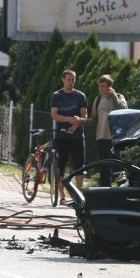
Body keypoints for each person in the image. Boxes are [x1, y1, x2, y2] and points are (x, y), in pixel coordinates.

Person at [50, 69, 88, 205]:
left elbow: (84, 115)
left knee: (79, 167)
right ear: (63, 80)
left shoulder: (80, 96)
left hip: (77, 136)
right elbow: (54, 115)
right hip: (61, 137)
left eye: (73, 80)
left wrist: (76, 123)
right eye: (68, 79)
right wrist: (68, 119)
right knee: (61, 168)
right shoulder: (57, 96)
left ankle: (78, 195)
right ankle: (62, 195)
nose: (71, 82)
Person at [90, 74, 128, 187]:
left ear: (109, 87)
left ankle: (123, 190)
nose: (100, 88)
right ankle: (105, 191)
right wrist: (80, 121)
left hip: (115, 138)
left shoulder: (119, 97)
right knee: (104, 168)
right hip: (102, 137)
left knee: (118, 167)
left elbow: (123, 110)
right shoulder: (97, 100)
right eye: (99, 86)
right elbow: (93, 120)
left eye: (103, 86)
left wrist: (114, 96)